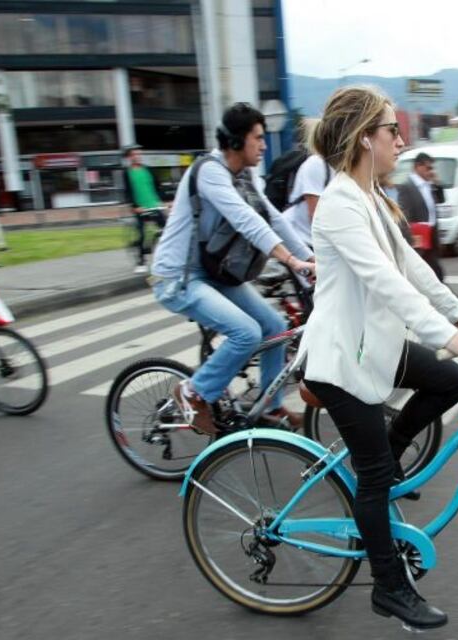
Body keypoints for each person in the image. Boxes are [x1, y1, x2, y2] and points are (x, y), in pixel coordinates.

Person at [300, 85, 458, 630]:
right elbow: (385, 283)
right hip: (342, 358)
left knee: (449, 382)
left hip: (375, 345)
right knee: (375, 477)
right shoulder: (339, 202)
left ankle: (388, 451)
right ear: (366, 138)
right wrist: (447, 333)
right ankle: (389, 589)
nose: (401, 141)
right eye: (392, 130)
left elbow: (409, 265)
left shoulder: (371, 198)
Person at [149, 102, 316, 435]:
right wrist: (289, 260)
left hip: (213, 275)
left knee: (274, 325)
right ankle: (191, 392)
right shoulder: (210, 172)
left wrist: (311, 261)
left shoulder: (243, 175)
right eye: (258, 138)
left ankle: (269, 406)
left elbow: (274, 218)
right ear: (237, 142)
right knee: (246, 333)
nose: (264, 145)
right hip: (178, 277)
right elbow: (247, 220)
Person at [396, 152, 445, 280]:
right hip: (420, 237)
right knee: (435, 274)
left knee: (434, 273)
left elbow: (441, 200)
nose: (431, 172)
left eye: (432, 168)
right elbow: (404, 216)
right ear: (418, 166)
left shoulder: (429, 184)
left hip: (432, 233)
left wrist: (437, 183)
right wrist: (412, 238)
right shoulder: (407, 187)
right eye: (428, 168)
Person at [283, 119, 331, 248]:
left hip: (314, 243)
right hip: (298, 240)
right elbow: (315, 216)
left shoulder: (340, 169)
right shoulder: (316, 164)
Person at [122, 145, 167, 274]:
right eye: (134, 154)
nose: (137, 156)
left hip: (154, 205)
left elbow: (158, 187)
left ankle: (159, 253)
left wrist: (165, 202)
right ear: (129, 157)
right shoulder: (127, 172)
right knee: (141, 234)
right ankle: (141, 261)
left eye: (139, 154)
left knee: (167, 231)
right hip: (140, 208)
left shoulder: (148, 170)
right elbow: (127, 192)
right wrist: (134, 206)